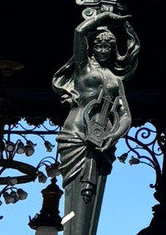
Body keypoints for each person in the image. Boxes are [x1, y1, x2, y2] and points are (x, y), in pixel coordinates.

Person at [52, 11, 139, 219]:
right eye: (99, 46)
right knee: (75, 188)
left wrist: (114, 135)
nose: (102, 50)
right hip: (75, 133)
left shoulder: (116, 81)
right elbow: (79, 31)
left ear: (113, 49)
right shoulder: (83, 66)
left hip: (101, 138)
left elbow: (125, 115)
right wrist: (105, 16)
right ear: (92, 47)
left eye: (107, 47)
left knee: (92, 193)